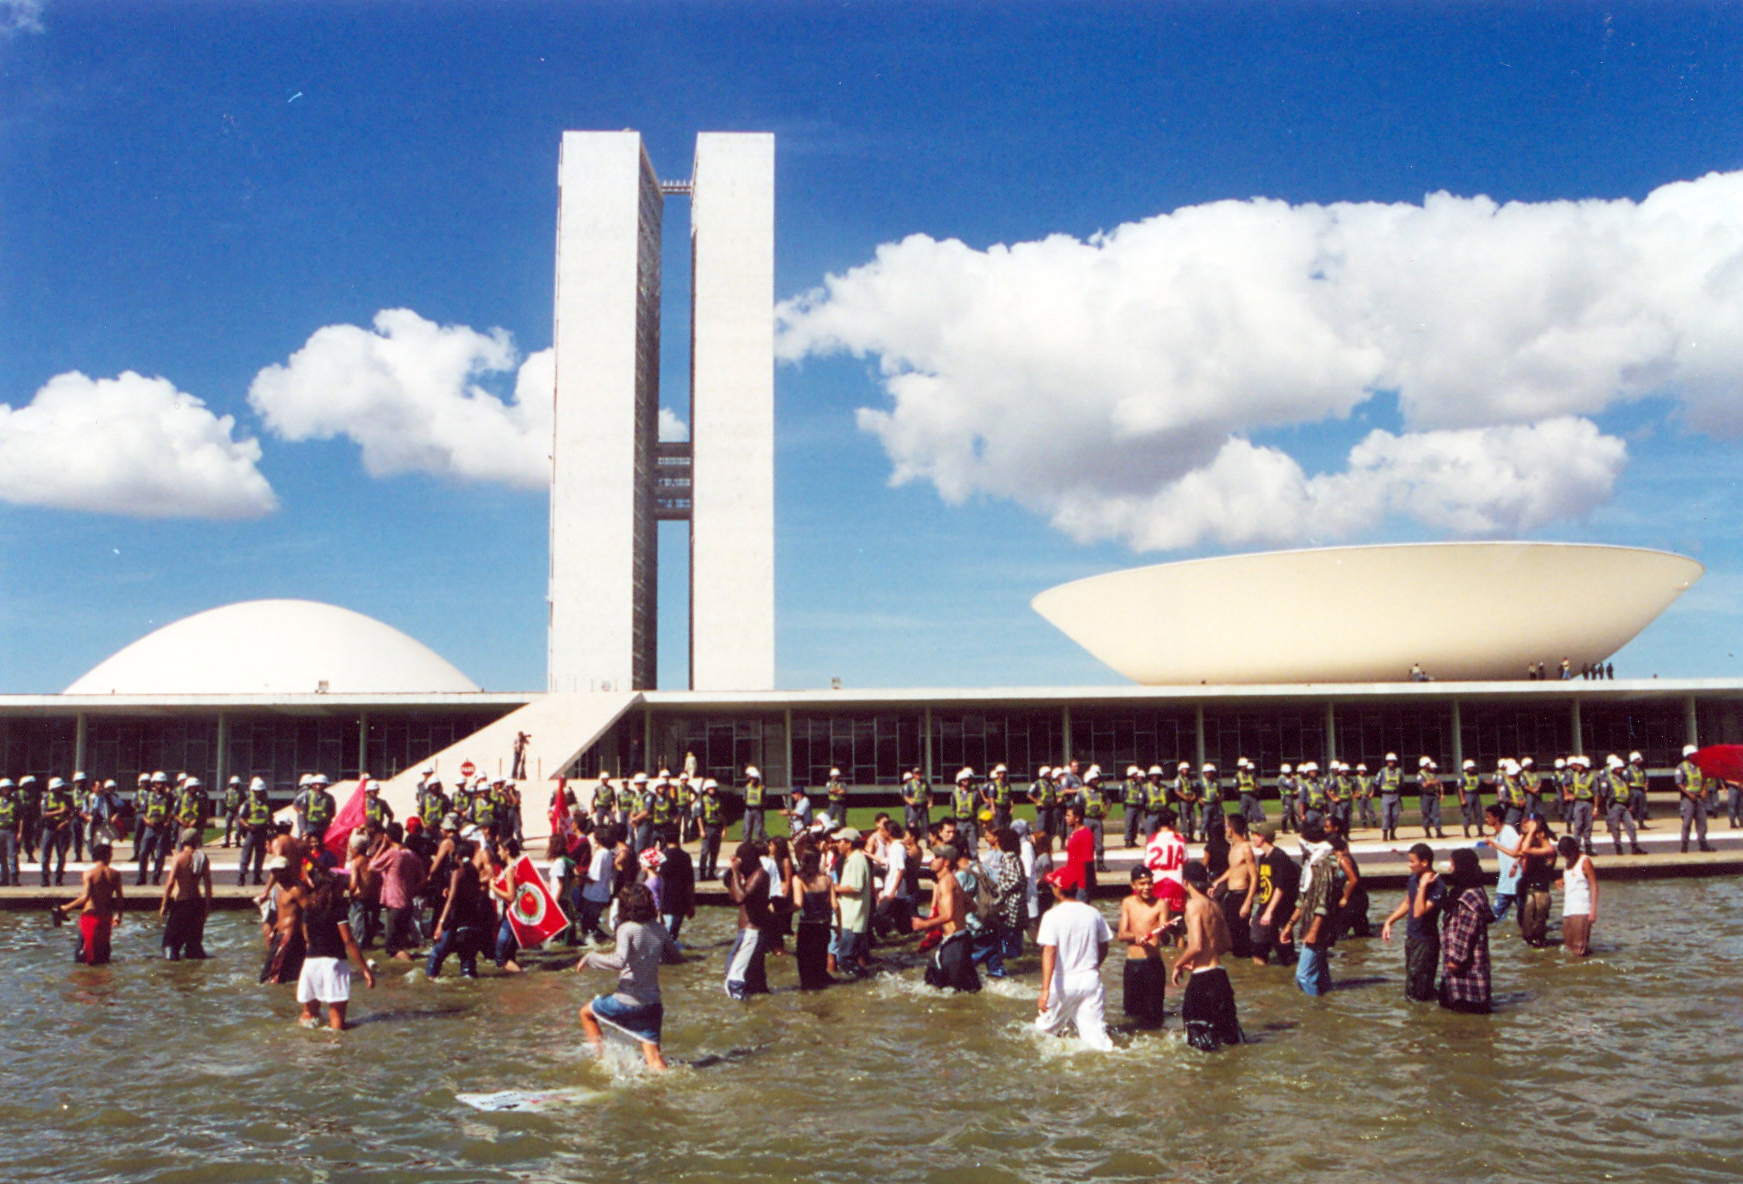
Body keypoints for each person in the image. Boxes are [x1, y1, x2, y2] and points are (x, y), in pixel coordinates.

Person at [577, 881, 684, 1070]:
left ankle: (600, 1061)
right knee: (654, 1059)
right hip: (653, 1005)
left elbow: (619, 961)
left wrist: (590, 958)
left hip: (627, 1001)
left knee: (586, 1013)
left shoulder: (626, 928)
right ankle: (666, 1089)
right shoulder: (659, 929)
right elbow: (675, 959)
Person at [1034, 867, 1114, 1051]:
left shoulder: (1052, 916)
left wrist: (1044, 990)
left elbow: (1049, 951)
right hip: (1090, 980)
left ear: (1058, 889)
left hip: (1063, 981)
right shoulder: (1093, 913)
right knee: (1096, 1039)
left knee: (1042, 1031)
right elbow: (1104, 945)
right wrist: (1095, 966)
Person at [1173, 860, 1243, 1050]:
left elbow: (1195, 946)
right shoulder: (1215, 905)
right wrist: (1199, 957)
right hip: (1220, 976)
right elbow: (1226, 944)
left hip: (1202, 981)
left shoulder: (1193, 906)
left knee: (1198, 1043)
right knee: (1228, 1038)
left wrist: (1178, 964)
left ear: (1185, 882)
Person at [296, 867, 377, 1029]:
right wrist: (365, 970)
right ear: (334, 888)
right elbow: (348, 941)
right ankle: (334, 1050)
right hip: (334, 964)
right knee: (336, 1020)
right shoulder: (337, 910)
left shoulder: (308, 909)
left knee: (309, 1015)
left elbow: (306, 937)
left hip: (311, 963)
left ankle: (307, 1050)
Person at [1289, 823, 1352, 996]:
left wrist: (1313, 931)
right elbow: (1304, 898)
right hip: (1310, 924)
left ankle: (1313, 1011)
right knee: (1321, 976)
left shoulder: (1325, 864)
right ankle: (1326, 1007)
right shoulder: (1312, 862)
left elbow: (1323, 902)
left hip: (1318, 928)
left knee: (1303, 976)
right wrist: (1290, 925)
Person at [1381, 843, 1444, 1002]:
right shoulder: (1413, 878)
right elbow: (1408, 902)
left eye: (1412, 862)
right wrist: (1389, 921)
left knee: (1420, 986)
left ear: (1424, 862)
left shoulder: (1438, 886)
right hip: (1412, 937)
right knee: (1411, 980)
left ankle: (1422, 1019)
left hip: (1426, 941)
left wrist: (1423, 887)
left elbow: (1418, 912)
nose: (1409, 865)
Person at [913, 844, 979, 992]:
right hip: (959, 940)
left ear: (947, 862)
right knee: (967, 990)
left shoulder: (946, 883)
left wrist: (925, 923)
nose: (932, 860)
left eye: (937, 858)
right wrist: (959, 916)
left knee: (949, 991)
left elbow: (948, 915)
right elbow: (972, 905)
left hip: (955, 944)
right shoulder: (952, 880)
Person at [1438, 847, 1494, 1014]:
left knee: (1466, 1012)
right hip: (1459, 969)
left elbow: (1465, 933)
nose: (1449, 869)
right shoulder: (1463, 892)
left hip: (1465, 971)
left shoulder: (1469, 898)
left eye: (1452, 865)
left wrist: (1456, 960)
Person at [426, 839, 491, 978]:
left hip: (455, 917)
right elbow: (477, 892)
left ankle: (430, 979)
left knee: (438, 953)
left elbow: (452, 899)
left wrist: (440, 923)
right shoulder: (474, 871)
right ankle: (469, 979)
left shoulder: (458, 872)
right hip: (472, 917)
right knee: (467, 958)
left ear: (458, 856)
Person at [1116, 866, 1168, 1030]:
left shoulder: (1161, 904)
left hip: (1153, 963)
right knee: (1131, 1014)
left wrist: (1165, 931)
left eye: (1150, 883)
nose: (1147, 887)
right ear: (1133, 885)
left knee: (1154, 1014)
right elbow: (1122, 935)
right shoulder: (1128, 903)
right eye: (1142, 884)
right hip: (1133, 964)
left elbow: (1164, 937)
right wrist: (1136, 937)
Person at [54, 842, 123, 965]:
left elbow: (84, 897)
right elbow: (120, 898)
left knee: (84, 956)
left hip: (90, 917)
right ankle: (105, 980)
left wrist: (65, 908)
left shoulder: (90, 874)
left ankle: (86, 980)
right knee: (103, 954)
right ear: (107, 856)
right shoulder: (115, 874)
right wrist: (119, 916)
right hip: (106, 917)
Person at [369, 823, 427, 961]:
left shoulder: (393, 854)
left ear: (387, 837)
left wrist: (382, 847)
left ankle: (410, 965)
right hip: (407, 903)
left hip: (395, 904)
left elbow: (371, 866)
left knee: (392, 948)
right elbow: (423, 878)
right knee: (401, 944)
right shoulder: (412, 855)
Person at [1245, 825, 1299, 967]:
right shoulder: (1263, 858)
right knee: (1258, 951)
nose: (1252, 838)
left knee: (1285, 953)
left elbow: (1280, 888)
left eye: (1254, 834)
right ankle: (1262, 978)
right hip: (1265, 910)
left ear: (1262, 837)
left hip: (1279, 912)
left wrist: (1268, 912)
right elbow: (1264, 888)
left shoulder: (1279, 857)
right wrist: (1258, 911)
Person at [724, 840, 772, 999]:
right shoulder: (752, 874)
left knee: (733, 978)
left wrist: (736, 872)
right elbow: (732, 894)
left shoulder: (760, 875)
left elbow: (739, 897)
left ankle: (736, 1018)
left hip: (751, 933)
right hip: (752, 934)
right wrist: (733, 873)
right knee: (756, 984)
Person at [159, 829, 212, 960]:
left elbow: (170, 883)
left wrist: (163, 905)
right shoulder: (203, 858)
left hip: (182, 903)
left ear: (183, 842)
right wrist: (207, 906)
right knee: (194, 946)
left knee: (170, 945)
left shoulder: (178, 858)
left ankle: (172, 973)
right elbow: (208, 884)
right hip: (197, 904)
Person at [791, 839, 836, 989]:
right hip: (823, 926)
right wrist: (839, 927)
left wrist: (779, 911)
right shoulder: (827, 880)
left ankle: (808, 1002)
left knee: (805, 970)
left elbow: (798, 904)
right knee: (820, 967)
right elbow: (835, 905)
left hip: (807, 927)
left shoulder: (799, 879)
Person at [830, 827, 874, 977]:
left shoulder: (856, 860)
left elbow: (855, 887)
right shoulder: (854, 859)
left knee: (845, 959)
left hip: (852, 919)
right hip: (852, 918)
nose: (837, 844)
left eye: (840, 841)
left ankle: (863, 983)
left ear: (848, 843)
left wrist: (834, 888)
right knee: (851, 957)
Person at [1212, 812, 1256, 960]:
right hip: (1231, 895)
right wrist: (1218, 881)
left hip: (1241, 895)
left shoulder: (1245, 848)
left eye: (1226, 826)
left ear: (1231, 829)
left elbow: (1254, 877)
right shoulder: (1233, 847)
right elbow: (1233, 869)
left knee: (1242, 938)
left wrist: (1248, 903)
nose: (1225, 829)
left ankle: (1247, 965)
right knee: (1230, 934)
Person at [1516, 815, 1558, 947]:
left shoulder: (1549, 849)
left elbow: (1525, 849)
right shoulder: (1536, 847)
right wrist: (1525, 834)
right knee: (1527, 933)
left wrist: (1531, 831)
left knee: (1537, 933)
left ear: (1541, 834)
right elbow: (1518, 850)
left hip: (1541, 894)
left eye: (1535, 833)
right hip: (1531, 892)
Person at [1557, 835, 1599, 957]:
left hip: (1581, 909)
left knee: (1579, 948)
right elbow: (1574, 878)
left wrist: (1593, 911)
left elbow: (1594, 885)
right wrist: (1561, 880)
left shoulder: (1585, 861)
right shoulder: (1568, 862)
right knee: (1568, 947)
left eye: (1567, 854)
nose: (1566, 857)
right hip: (1568, 910)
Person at [1675, 745, 1716, 852]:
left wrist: (1704, 790)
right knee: (1687, 823)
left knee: (1702, 822)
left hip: (1699, 798)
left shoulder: (1699, 766)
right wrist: (1689, 794)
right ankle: (1684, 845)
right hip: (1688, 799)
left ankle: (1703, 845)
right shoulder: (1681, 767)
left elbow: (1704, 779)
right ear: (1688, 755)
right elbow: (1679, 783)